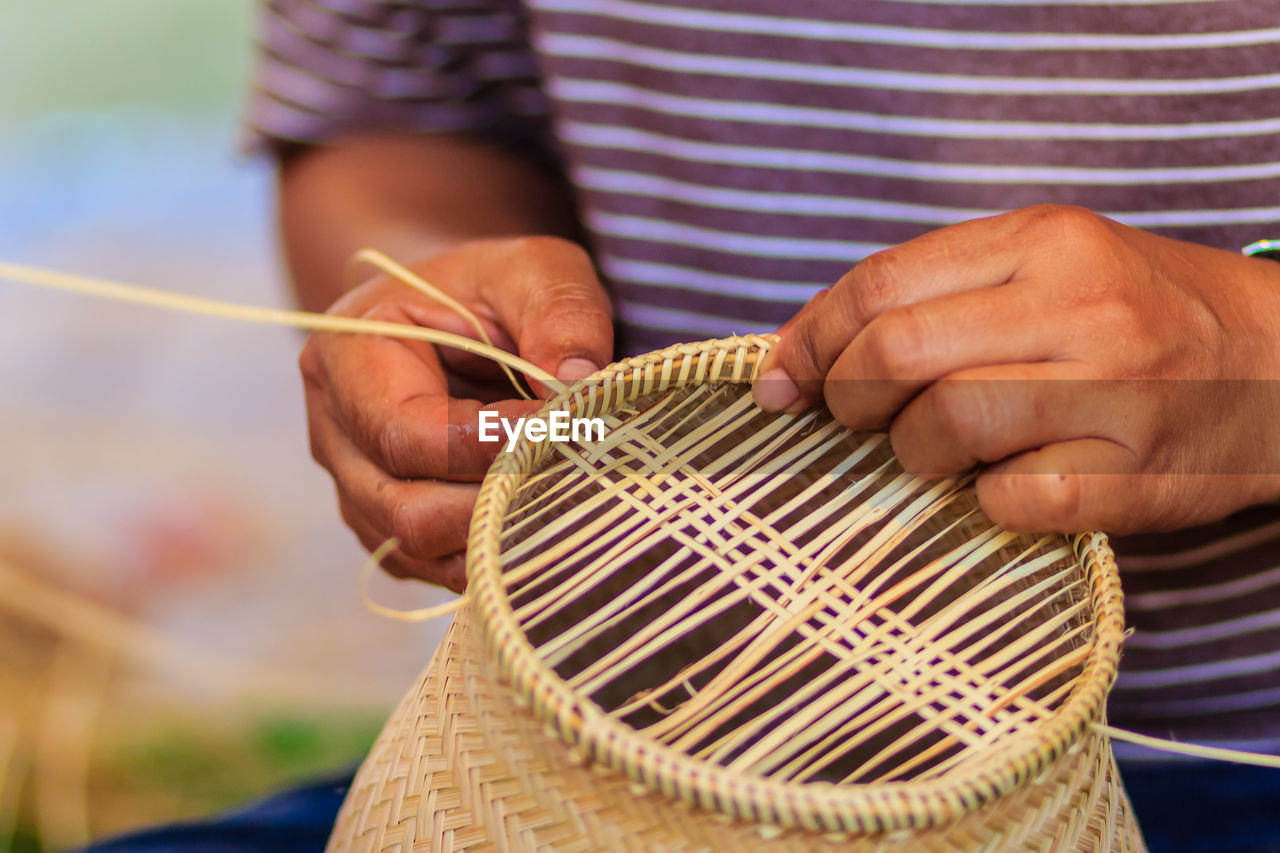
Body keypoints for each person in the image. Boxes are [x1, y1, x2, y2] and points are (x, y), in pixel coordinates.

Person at [88, 0, 1280, 850]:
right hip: (593, 746)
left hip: (1229, 759)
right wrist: (445, 320)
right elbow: (404, 105)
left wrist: (1252, 359)